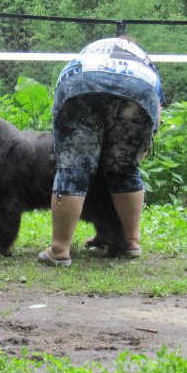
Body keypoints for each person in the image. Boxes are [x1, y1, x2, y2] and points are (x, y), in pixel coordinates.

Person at [38, 36, 163, 267]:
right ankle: (130, 242)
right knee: (125, 168)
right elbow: (156, 110)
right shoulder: (143, 59)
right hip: (139, 88)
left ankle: (59, 249)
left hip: (83, 83)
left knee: (73, 169)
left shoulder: (92, 50)